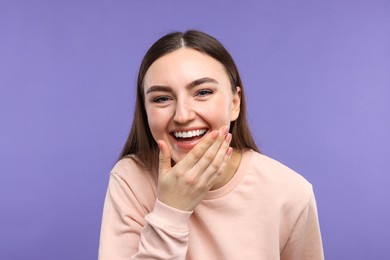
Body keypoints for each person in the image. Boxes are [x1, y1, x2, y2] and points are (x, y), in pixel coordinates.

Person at [98, 30, 324, 260]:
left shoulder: (291, 192)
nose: (183, 115)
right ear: (145, 111)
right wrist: (170, 211)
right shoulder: (131, 179)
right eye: (162, 98)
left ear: (234, 103)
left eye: (203, 92)